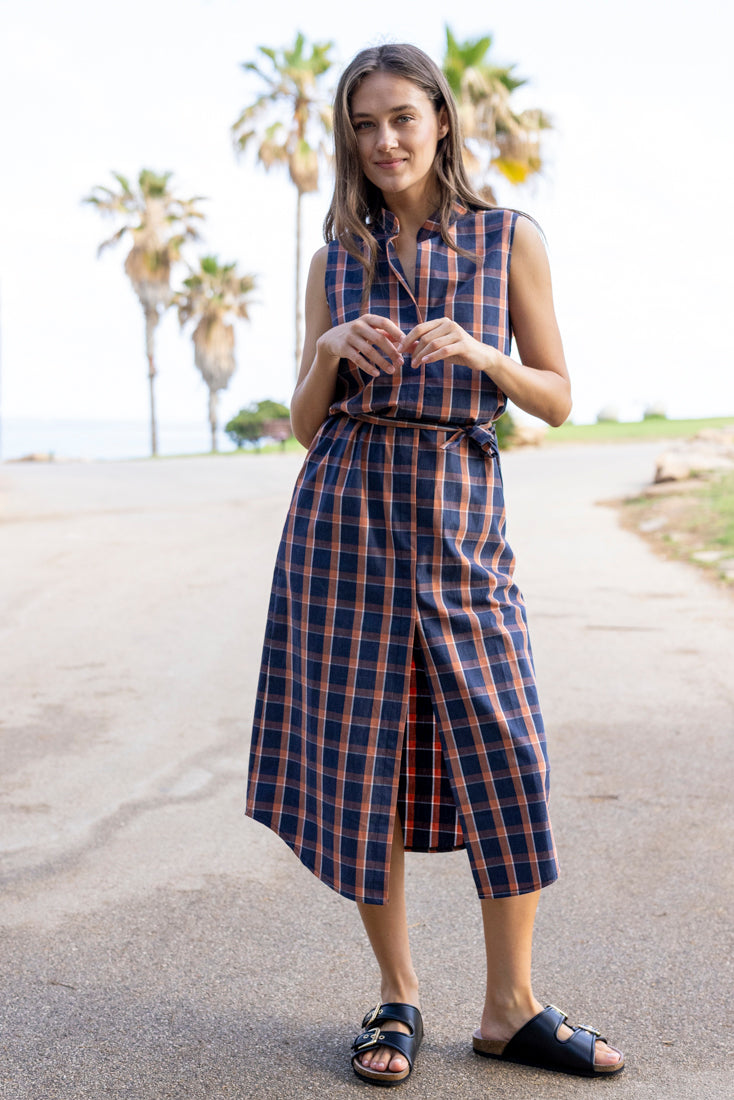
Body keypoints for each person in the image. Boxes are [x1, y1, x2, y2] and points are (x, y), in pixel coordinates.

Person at [246, 42, 624, 1085]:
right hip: (344, 516)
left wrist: (481, 354)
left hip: (458, 509)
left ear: (441, 120)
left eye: (401, 118)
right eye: (363, 125)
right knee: (362, 756)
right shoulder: (333, 260)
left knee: (503, 743)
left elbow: (553, 394)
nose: (383, 141)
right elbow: (300, 423)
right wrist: (328, 351)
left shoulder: (508, 238)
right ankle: (397, 994)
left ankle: (511, 1005)